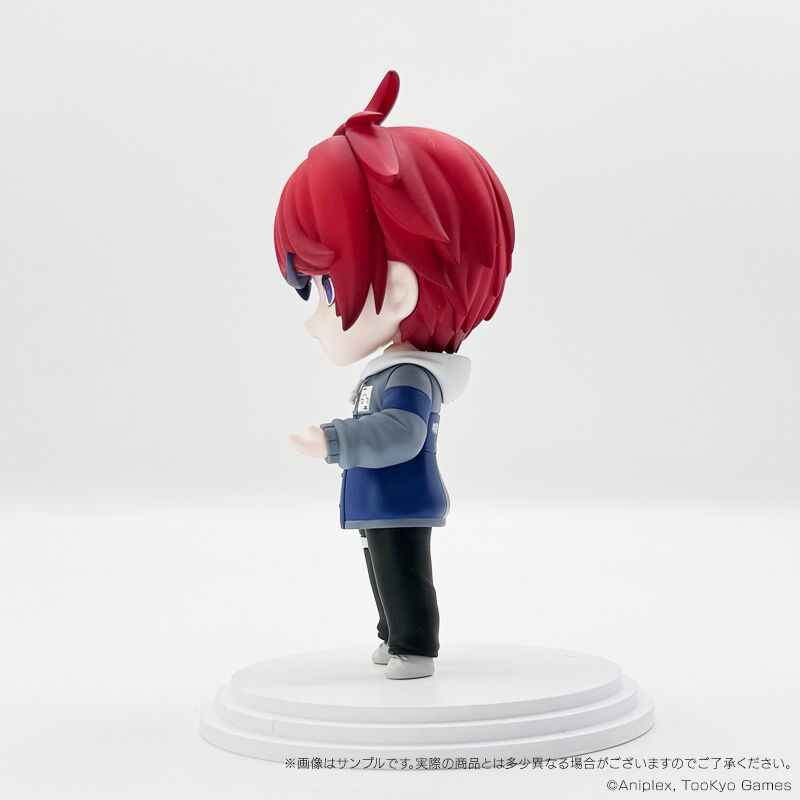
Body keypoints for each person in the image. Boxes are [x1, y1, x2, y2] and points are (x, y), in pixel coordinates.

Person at [274, 70, 514, 679]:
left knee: (403, 572)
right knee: (382, 569)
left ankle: (415, 644)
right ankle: (392, 634)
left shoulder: (410, 377)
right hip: (381, 499)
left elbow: (402, 434)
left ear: (401, 289)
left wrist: (333, 439)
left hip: (399, 500)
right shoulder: (393, 368)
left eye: (327, 288)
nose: (315, 321)